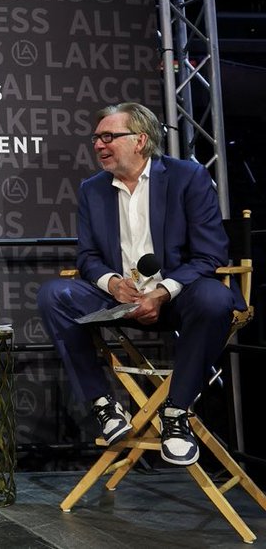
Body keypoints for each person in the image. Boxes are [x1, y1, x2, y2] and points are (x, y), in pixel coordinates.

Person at [37, 102, 241, 466]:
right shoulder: (92, 189)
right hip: (120, 299)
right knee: (56, 294)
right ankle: (104, 405)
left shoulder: (187, 178)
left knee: (215, 298)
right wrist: (113, 283)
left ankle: (176, 414)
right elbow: (88, 257)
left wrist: (163, 292)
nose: (99, 145)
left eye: (109, 136)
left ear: (141, 140)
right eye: (96, 138)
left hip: (178, 297)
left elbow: (211, 254)